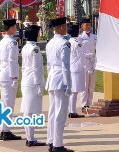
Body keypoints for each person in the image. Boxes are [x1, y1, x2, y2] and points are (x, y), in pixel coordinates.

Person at [45, 17, 74, 152]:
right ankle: (58, 145)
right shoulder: (64, 43)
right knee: (60, 114)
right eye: (65, 26)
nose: (67, 28)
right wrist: (68, 85)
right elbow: (66, 66)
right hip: (61, 79)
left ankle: (51, 141)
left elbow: (49, 65)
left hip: (52, 78)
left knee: (52, 112)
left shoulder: (50, 42)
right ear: (61, 28)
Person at [20, 24, 46, 147]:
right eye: (39, 33)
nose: (40, 35)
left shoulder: (25, 47)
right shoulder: (35, 49)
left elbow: (24, 67)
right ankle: (30, 138)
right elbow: (36, 68)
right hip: (33, 82)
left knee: (27, 111)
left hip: (26, 79)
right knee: (29, 111)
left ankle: (30, 137)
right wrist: (39, 85)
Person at [0, 19, 22, 141]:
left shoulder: (3, 41)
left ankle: (4, 130)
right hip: (8, 76)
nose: (16, 29)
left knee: (5, 103)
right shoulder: (12, 43)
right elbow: (12, 61)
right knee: (9, 104)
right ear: (11, 28)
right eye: (15, 27)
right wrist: (14, 76)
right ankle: (5, 130)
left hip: (3, 74)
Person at [67, 22, 87, 118]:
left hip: (70, 67)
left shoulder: (68, 42)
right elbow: (81, 57)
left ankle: (71, 110)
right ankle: (72, 111)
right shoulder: (77, 43)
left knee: (72, 90)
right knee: (74, 91)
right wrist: (87, 67)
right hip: (77, 68)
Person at [79, 17, 97, 113]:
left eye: (89, 24)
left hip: (93, 61)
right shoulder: (80, 38)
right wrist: (88, 56)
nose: (88, 26)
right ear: (82, 26)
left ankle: (89, 104)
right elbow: (80, 52)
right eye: (86, 25)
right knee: (85, 85)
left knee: (91, 85)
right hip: (85, 62)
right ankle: (83, 105)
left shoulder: (94, 37)